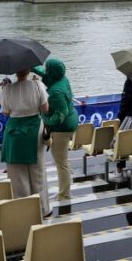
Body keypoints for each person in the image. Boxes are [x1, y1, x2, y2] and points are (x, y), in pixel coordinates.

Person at [0, 68, 51, 217]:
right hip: (34, 129)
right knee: (38, 171)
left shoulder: (7, 89)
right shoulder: (37, 85)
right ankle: (43, 209)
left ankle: (24, 212)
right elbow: (45, 108)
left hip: (14, 131)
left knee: (17, 175)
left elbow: (5, 112)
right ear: (28, 69)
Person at [33, 59, 78, 200]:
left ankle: (64, 194)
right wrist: (31, 67)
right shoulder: (62, 78)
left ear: (52, 72)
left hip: (63, 127)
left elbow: (62, 113)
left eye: (48, 69)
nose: (45, 70)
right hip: (72, 119)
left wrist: (46, 119)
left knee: (61, 161)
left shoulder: (56, 91)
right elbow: (45, 74)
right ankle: (64, 190)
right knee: (62, 159)